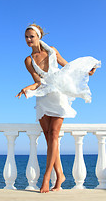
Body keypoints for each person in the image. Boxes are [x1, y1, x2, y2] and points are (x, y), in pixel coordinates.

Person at [16, 24, 101, 193]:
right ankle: (60, 175)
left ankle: (46, 179)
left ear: (38, 36)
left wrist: (86, 72)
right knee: (49, 138)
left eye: (31, 36)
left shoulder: (52, 50)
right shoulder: (28, 60)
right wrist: (26, 88)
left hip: (59, 94)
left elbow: (68, 67)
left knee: (54, 135)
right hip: (43, 96)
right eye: (26, 37)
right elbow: (38, 82)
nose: (28, 40)